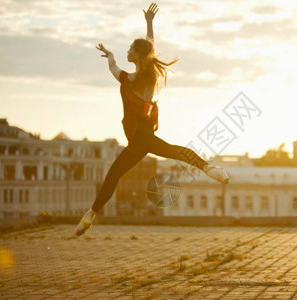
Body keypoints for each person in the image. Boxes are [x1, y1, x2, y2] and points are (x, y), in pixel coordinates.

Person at [75, 3, 230, 236]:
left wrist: (143, 30)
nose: (128, 51)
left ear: (137, 54)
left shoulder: (139, 77)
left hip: (142, 135)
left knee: (166, 154)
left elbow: (127, 60)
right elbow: (124, 61)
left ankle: (208, 168)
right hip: (138, 138)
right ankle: (90, 215)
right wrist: (115, 52)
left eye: (130, 49)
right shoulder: (137, 77)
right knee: (119, 172)